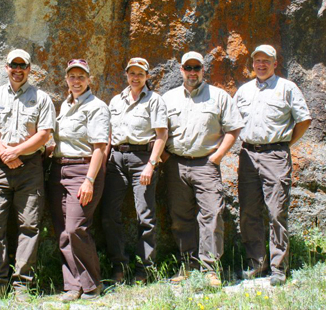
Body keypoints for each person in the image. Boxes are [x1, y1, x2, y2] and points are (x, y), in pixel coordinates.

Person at [0, 49, 56, 302]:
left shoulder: (41, 98)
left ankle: (23, 285)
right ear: (6, 67)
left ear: (30, 69)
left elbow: (44, 134)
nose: (18, 70)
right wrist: (4, 153)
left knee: (29, 226)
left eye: (23, 65)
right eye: (13, 65)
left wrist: (17, 152)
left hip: (30, 167)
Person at [161, 51, 244, 287]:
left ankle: (211, 269)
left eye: (197, 68)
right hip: (175, 164)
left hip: (206, 164)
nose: (192, 72)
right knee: (180, 217)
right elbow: (157, 131)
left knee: (212, 216)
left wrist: (217, 157)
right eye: (188, 67)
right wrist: (167, 158)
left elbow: (233, 128)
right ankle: (188, 264)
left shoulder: (218, 96)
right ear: (181, 70)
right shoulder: (168, 98)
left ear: (203, 70)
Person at [234, 45, 311, 286]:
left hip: (275, 154)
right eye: (257, 60)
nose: (261, 64)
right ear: (252, 64)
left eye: (266, 60)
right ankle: (256, 264)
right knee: (249, 211)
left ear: (275, 63)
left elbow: (304, 119)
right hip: (247, 154)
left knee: (276, 211)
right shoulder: (244, 90)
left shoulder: (287, 88)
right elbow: (232, 121)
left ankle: (278, 268)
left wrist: (285, 142)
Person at [100, 57, 167, 284]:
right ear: (126, 75)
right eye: (132, 73)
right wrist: (104, 162)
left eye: (140, 73)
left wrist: (151, 164)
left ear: (147, 76)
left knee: (145, 216)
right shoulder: (115, 101)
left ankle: (144, 269)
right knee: (109, 214)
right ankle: (118, 266)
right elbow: (109, 134)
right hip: (116, 158)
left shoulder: (155, 100)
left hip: (142, 159)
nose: (135, 77)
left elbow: (161, 135)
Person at [47, 59, 110, 301]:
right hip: (58, 170)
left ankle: (92, 285)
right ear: (66, 79)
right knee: (62, 231)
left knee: (76, 229)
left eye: (81, 76)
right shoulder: (65, 105)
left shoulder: (96, 107)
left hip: (83, 172)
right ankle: (72, 286)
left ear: (89, 79)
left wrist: (89, 180)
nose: (76, 80)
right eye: (72, 76)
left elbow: (99, 147)